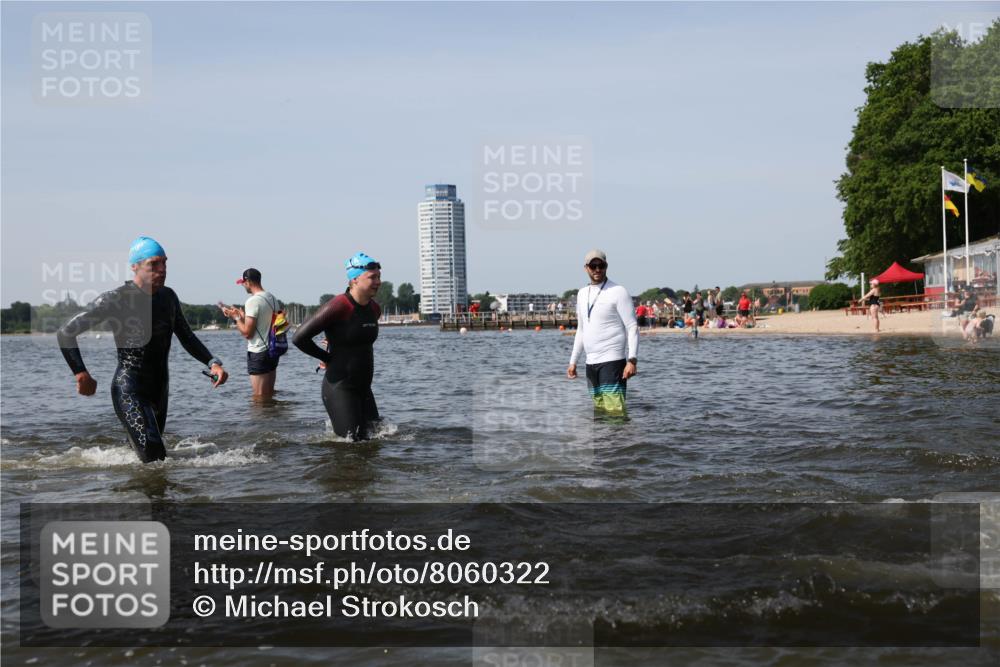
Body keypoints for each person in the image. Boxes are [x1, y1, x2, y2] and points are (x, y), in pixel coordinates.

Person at [56, 236, 228, 463]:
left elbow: (186, 336)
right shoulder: (116, 299)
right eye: (154, 264)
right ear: (135, 267)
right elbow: (65, 332)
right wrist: (81, 373)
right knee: (156, 459)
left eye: (165, 263)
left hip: (160, 390)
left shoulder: (168, 297)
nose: (162, 269)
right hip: (130, 389)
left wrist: (212, 363)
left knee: (151, 463)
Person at [293, 252, 383, 441]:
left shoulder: (374, 309)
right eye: (372, 277)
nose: (378, 281)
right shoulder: (339, 305)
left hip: (364, 389)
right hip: (340, 387)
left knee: (376, 441)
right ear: (355, 279)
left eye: (379, 276)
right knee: (351, 446)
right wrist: (326, 357)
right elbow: (299, 338)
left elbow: (352, 336)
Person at [566, 250, 638, 416]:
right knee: (599, 413)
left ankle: (620, 442)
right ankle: (602, 443)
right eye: (593, 266)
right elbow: (581, 330)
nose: (597, 269)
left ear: (606, 266)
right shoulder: (582, 294)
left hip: (612, 361)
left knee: (615, 413)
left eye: (601, 266)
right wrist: (573, 362)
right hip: (591, 364)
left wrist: (632, 360)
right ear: (586, 268)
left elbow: (632, 326)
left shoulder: (618, 291)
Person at [218, 268, 281, 399]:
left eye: (243, 282)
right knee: (269, 395)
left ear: (248, 281)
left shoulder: (252, 301)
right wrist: (242, 316)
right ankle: (273, 419)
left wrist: (236, 318)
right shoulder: (272, 298)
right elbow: (263, 322)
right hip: (273, 351)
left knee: (259, 399)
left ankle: (259, 420)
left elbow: (248, 333)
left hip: (259, 352)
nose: (242, 285)